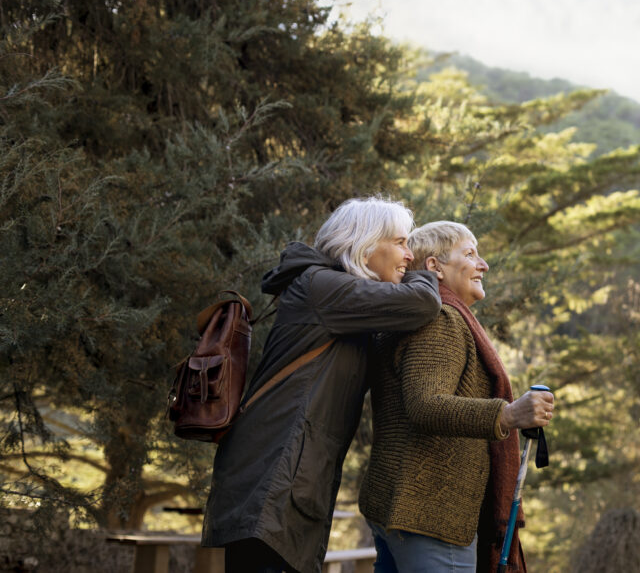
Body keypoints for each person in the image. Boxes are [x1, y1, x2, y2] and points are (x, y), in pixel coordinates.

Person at [202, 197, 442, 573]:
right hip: (271, 481)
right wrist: (430, 271)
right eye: (400, 242)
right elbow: (423, 302)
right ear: (363, 243)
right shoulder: (323, 287)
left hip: (278, 479)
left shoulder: (333, 294)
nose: (408, 255)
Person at [359, 221, 555, 573]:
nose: (483, 264)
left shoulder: (411, 317)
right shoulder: (441, 319)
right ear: (434, 266)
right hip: (431, 516)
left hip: (401, 508)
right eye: (469, 254)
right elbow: (425, 405)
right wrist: (509, 415)